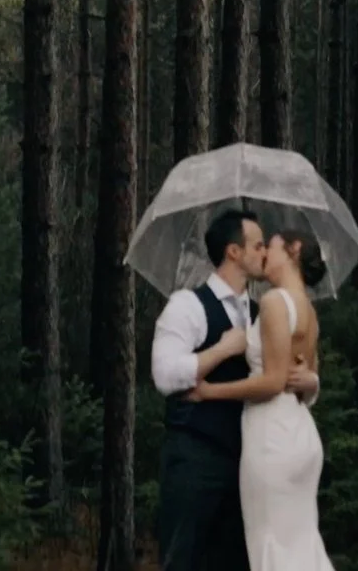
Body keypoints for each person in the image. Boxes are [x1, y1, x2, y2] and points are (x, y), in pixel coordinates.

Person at [149, 209, 319, 571]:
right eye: (258, 245)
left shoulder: (266, 310)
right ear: (234, 252)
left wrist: (312, 381)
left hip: (250, 458)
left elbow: (287, 373)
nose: (265, 253)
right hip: (195, 457)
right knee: (183, 560)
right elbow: (164, 375)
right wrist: (222, 350)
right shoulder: (187, 306)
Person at [189, 229, 333, 570]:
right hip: (300, 434)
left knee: (270, 543)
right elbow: (306, 377)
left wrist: (209, 392)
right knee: (299, 543)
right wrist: (311, 381)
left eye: (272, 245)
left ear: (294, 250)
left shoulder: (273, 302)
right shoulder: (309, 312)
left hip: (271, 438)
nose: (265, 252)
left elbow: (271, 383)